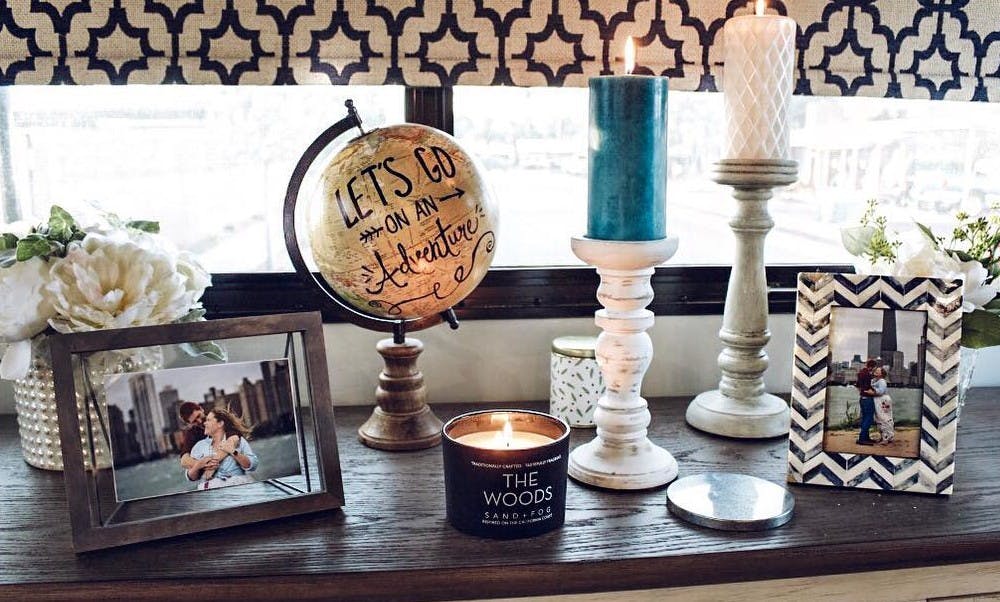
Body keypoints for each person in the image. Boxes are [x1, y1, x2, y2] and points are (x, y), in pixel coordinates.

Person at [186, 408, 259, 490]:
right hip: (211, 492)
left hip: (237, 487)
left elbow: (252, 465)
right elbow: (191, 477)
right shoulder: (200, 446)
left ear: (220, 423)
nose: (204, 423)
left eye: (208, 420)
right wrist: (199, 465)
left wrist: (233, 451)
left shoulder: (238, 440)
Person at [856, 359, 878, 446]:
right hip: (868, 399)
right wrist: (875, 393)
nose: (873, 370)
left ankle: (866, 437)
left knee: (865, 418)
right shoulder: (867, 375)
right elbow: (867, 388)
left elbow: (857, 386)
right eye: (874, 368)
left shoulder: (861, 373)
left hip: (862, 399)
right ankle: (862, 439)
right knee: (869, 419)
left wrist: (862, 393)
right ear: (871, 367)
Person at [872, 367, 895, 445]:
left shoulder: (882, 381)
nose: (875, 371)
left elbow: (880, 391)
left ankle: (886, 438)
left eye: (878, 370)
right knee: (883, 418)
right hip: (880, 400)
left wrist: (870, 391)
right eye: (876, 370)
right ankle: (887, 436)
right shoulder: (876, 381)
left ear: (881, 373)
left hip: (882, 400)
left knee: (883, 418)